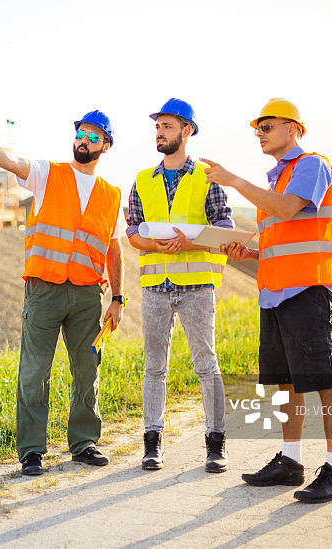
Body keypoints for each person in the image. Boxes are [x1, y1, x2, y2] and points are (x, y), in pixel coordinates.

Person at [0, 111, 126, 476]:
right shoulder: (48, 174)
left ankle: (84, 443)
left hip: (89, 295)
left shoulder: (111, 195)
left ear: (105, 146)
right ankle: (31, 451)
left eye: (93, 138)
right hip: (44, 291)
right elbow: (12, 160)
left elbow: (114, 248)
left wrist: (118, 298)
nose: (84, 141)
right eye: (81, 133)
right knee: (34, 371)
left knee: (87, 370)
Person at [201, 98, 332, 503]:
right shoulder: (276, 180)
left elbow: (286, 211)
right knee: (286, 384)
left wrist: (233, 180)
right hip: (276, 294)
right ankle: (291, 462)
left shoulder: (312, 165)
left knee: (323, 381)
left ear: (294, 128)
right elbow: (280, 242)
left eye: (267, 127)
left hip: (307, 289)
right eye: (257, 130)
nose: (260, 134)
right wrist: (246, 253)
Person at [126, 98, 233, 472]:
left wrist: (192, 243)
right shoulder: (141, 180)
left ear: (186, 131)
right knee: (154, 367)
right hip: (155, 287)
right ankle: (152, 444)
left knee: (207, 365)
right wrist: (151, 243)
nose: (160, 132)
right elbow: (132, 231)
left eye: (167, 127)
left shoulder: (207, 177)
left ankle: (216, 445)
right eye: (157, 126)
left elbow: (225, 228)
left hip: (197, 287)